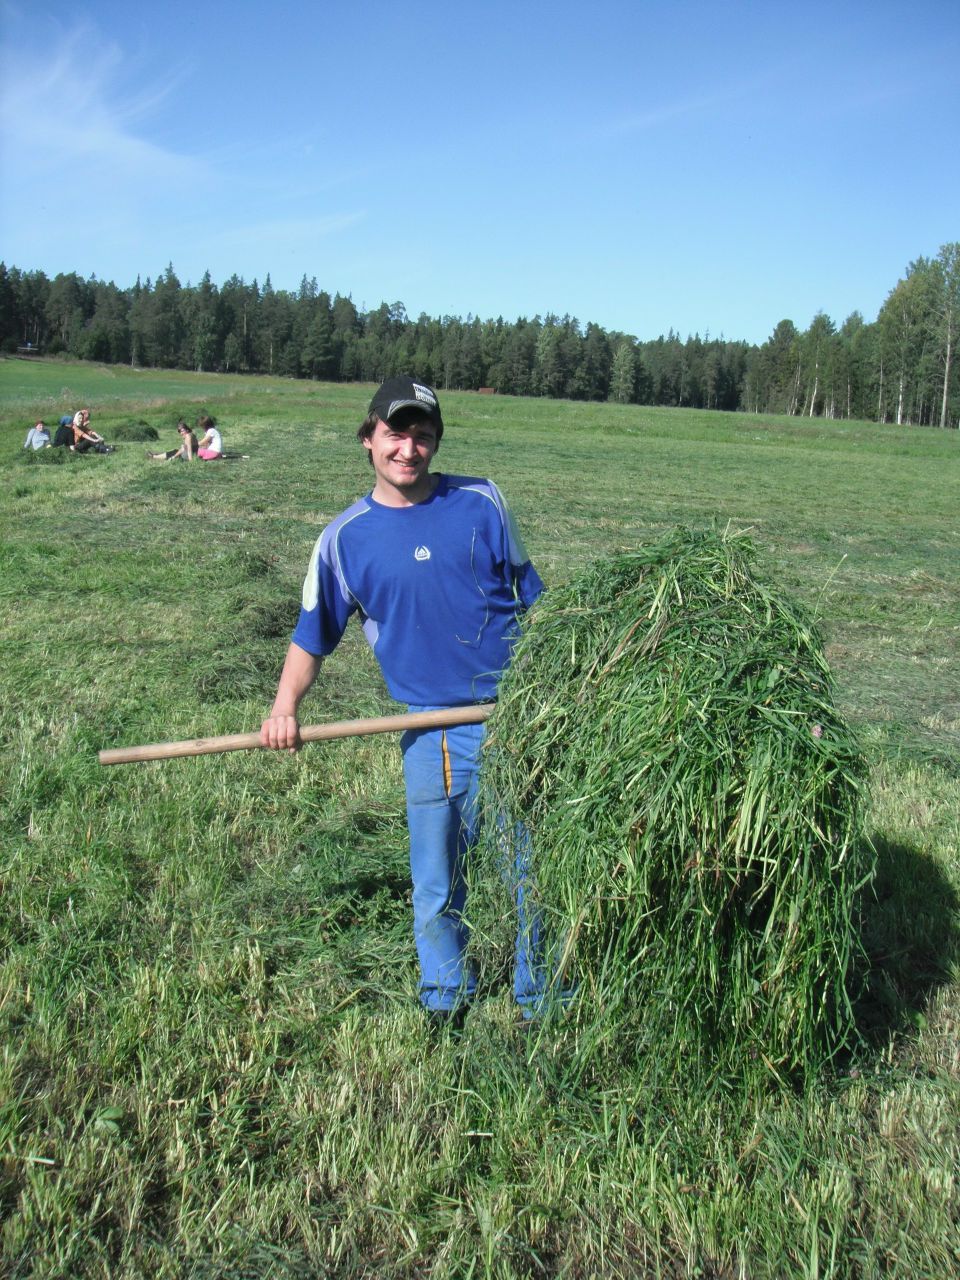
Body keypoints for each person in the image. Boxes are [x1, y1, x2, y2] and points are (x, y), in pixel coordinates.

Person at [260, 376, 552, 1025]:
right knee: (436, 876)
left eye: (423, 435)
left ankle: (543, 998)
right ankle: (446, 996)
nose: (409, 448)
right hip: (432, 730)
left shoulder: (484, 501)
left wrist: (564, 681)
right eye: (396, 433)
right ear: (368, 440)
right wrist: (285, 707)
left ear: (436, 442)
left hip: (516, 713)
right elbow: (312, 634)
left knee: (533, 865)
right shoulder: (345, 539)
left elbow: (537, 599)